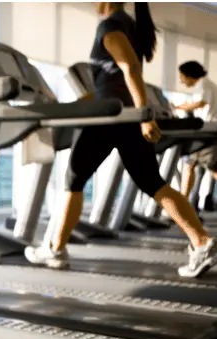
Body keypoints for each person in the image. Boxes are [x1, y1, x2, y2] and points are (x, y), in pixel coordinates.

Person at [25, 2, 217, 278]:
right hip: (121, 115)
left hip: (112, 119)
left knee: (74, 180)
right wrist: (79, 105)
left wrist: (145, 117)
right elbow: (112, 82)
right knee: (153, 182)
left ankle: (56, 249)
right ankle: (201, 241)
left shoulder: (110, 27)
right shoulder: (128, 25)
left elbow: (130, 70)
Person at [174, 61, 217, 201]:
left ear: (189, 75)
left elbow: (200, 103)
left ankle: (183, 201)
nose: (181, 80)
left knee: (199, 165)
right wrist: (180, 106)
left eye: (182, 76)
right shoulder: (206, 84)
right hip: (209, 130)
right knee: (193, 165)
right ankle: (184, 201)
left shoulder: (203, 84)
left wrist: (180, 108)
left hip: (208, 131)